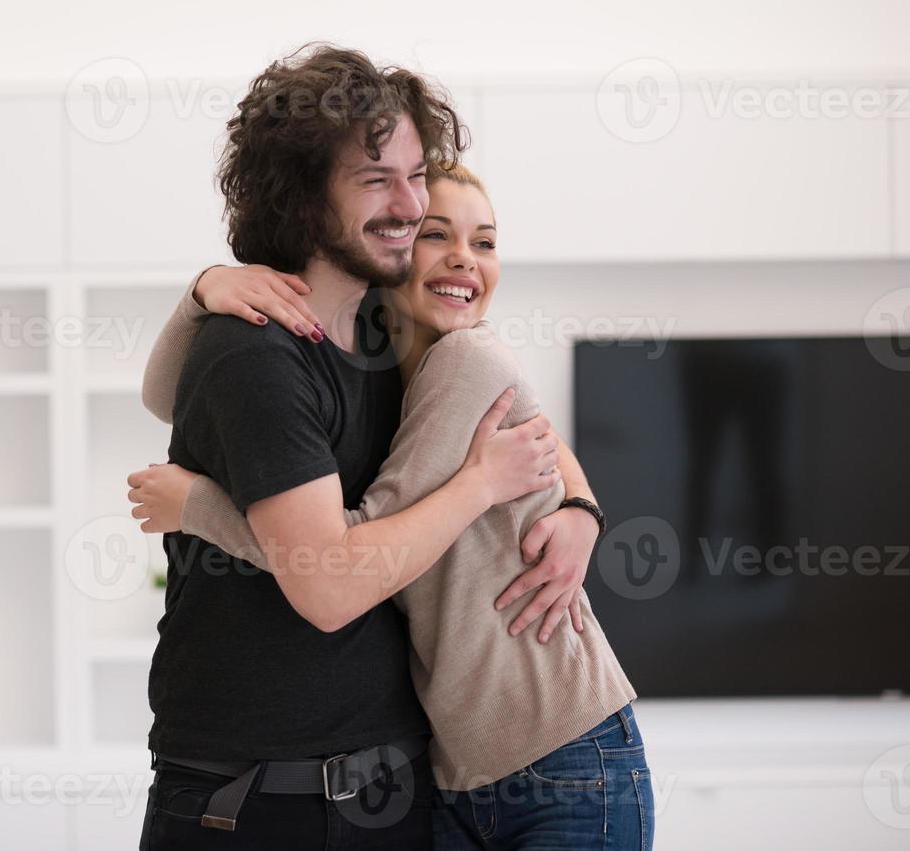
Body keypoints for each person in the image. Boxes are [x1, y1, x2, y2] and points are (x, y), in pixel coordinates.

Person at [129, 162, 654, 850]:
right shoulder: (379, 371)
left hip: (560, 757)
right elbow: (172, 398)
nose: (465, 258)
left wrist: (200, 508)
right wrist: (203, 292)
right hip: (459, 773)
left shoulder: (465, 363)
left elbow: (344, 561)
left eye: (486, 242)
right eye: (438, 235)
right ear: (396, 249)